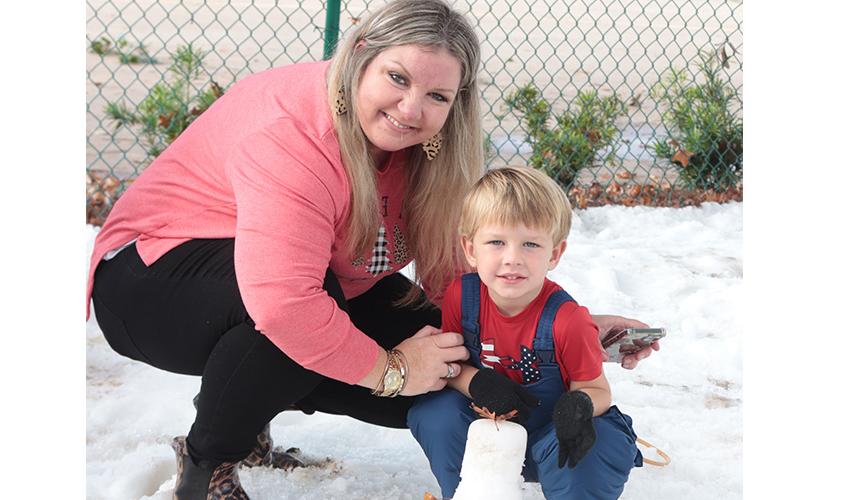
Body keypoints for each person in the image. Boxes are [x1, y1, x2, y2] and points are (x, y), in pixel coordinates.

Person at [86, 1, 655, 498]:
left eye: (436, 95)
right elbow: (285, 305)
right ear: (360, 52)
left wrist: (555, 324)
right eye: (398, 78)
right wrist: (389, 370)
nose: (412, 110)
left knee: (451, 355)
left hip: (292, 280)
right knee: (314, 325)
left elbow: (455, 280)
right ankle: (207, 466)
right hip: (149, 280)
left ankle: (250, 407)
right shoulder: (293, 137)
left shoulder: (430, 153)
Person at [408, 166, 644, 499]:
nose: (512, 258)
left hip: (552, 438)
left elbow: (597, 389)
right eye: (496, 242)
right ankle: (470, 492)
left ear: (555, 254)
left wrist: (577, 407)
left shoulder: (568, 320)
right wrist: (476, 382)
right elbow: (450, 367)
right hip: (490, 434)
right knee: (435, 414)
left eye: (530, 244)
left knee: (598, 444)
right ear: (471, 249)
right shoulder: (462, 297)